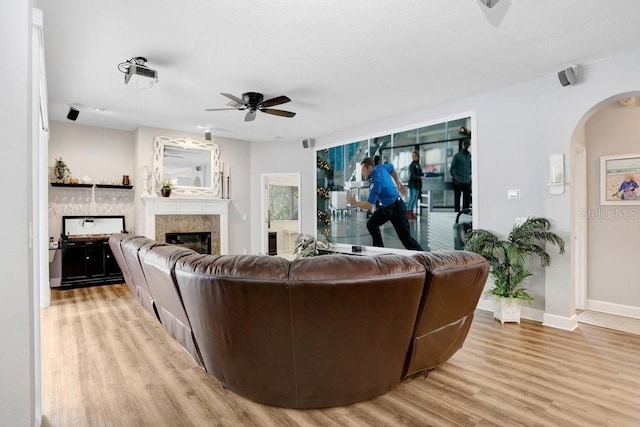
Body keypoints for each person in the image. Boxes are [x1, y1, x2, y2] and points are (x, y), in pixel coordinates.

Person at [347, 157, 424, 251]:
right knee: (371, 224)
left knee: (407, 241)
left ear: (370, 168)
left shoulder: (376, 182)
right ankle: (379, 250)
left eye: (363, 170)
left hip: (397, 209)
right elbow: (391, 168)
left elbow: (369, 205)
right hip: (387, 208)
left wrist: (355, 203)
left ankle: (425, 258)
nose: (362, 173)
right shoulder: (380, 168)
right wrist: (398, 183)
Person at [450, 139, 471, 212]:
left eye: (468, 144)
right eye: (465, 144)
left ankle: (465, 213)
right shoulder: (457, 156)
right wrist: (455, 178)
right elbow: (452, 168)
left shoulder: (469, 156)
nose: (467, 146)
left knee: (467, 199)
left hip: (467, 181)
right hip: (458, 181)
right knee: (457, 199)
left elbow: (470, 168)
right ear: (463, 145)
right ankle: (457, 213)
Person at [407, 150, 423, 219]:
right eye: (413, 156)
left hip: (417, 184)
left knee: (415, 199)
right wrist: (419, 177)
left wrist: (422, 175)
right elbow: (413, 175)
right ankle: (408, 212)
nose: (414, 157)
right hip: (413, 184)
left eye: (415, 156)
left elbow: (420, 173)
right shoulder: (412, 165)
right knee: (412, 198)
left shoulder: (418, 165)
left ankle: (411, 212)